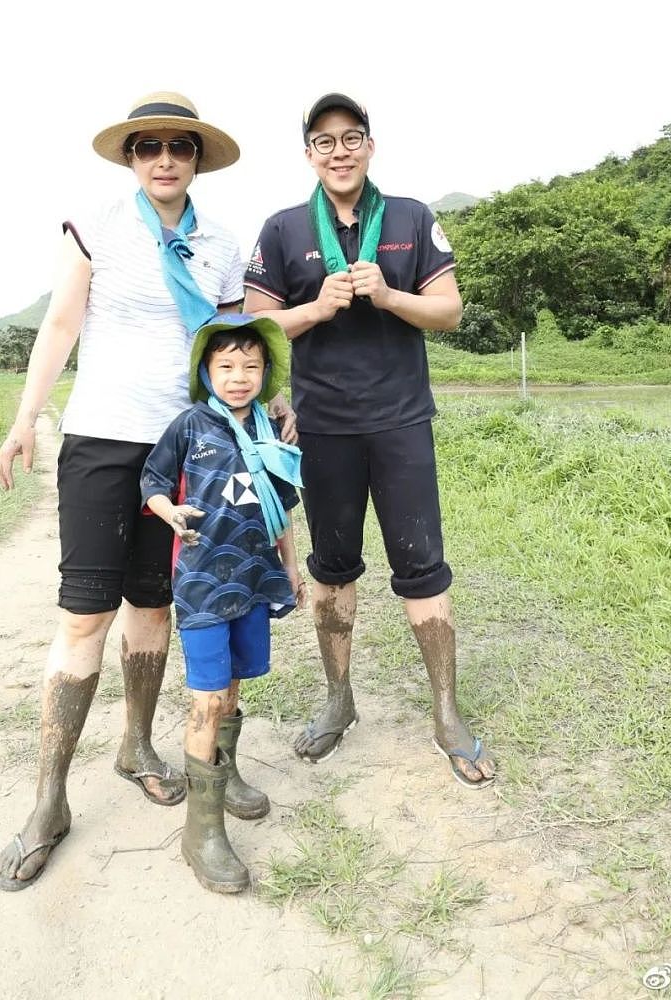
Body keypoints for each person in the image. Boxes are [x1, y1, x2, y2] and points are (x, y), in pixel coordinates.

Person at [0, 91, 295, 892]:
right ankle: (49, 800)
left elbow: (231, 349)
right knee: (86, 613)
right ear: (130, 157)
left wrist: (265, 411)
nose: (164, 157)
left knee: (160, 606)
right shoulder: (97, 225)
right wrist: (28, 418)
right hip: (100, 439)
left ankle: (138, 745)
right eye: (148, 145)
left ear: (198, 158)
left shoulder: (223, 244)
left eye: (180, 146)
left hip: (192, 448)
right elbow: (61, 325)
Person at [242, 92, 495, 789]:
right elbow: (256, 329)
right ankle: (338, 699)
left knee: (423, 566)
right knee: (332, 569)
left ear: (370, 146)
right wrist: (317, 308)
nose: (339, 150)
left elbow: (448, 310)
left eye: (351, 137)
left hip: (401, 420)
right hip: (322, 427)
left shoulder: (411, 218)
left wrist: (387, 296)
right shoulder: (284, 229)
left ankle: (446, 713)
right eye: (324, 141)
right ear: (309, 156)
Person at [141, 312, 305, 892]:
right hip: (204, 586)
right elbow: (152, 482)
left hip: (254, 580)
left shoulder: (272, 431)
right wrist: (170, 513)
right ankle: (201, 832)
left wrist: (290, 566)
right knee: (207, 700)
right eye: (226, 365)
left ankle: (226, 773)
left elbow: (280, 508)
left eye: (251, 366)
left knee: (234, 686)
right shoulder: (190, 426)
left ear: (266, 373)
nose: (239, 376)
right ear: (206, 371)